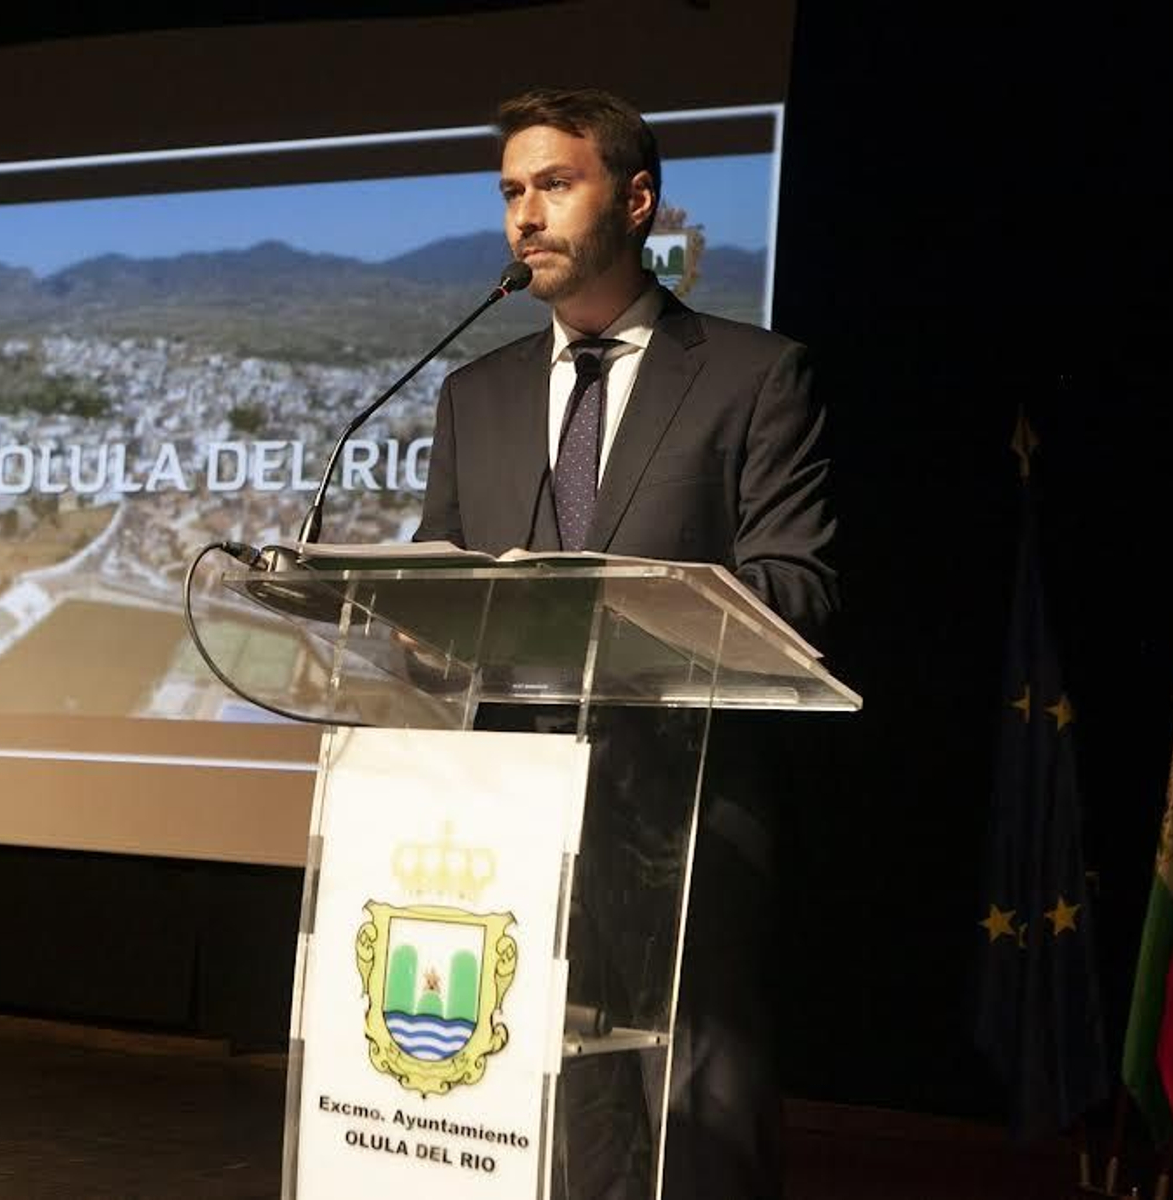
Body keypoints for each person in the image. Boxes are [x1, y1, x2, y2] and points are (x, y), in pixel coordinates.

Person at [414, 87, 837, 1199]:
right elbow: (431, 593)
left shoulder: (755, 376)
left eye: (555, 183)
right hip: (508, 812)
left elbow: (797, 586)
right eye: (511, 190)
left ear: (638, 201)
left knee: (695, 1108)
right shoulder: (475, 395)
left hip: (681, 814)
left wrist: (615, 600)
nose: (524, 215)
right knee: (541, 1099)